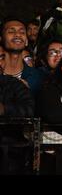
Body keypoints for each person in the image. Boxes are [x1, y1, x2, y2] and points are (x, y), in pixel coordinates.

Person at [0, 44, 35, 174]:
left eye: (2, 58)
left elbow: (30, 110)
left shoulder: (14, 84)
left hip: (10, 154)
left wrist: (4, 109)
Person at [1, 18, 45, 95]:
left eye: (22, 32)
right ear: (1, 39)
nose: (18, 34)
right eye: (11, 31)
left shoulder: (38, 78)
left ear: (26, 42)